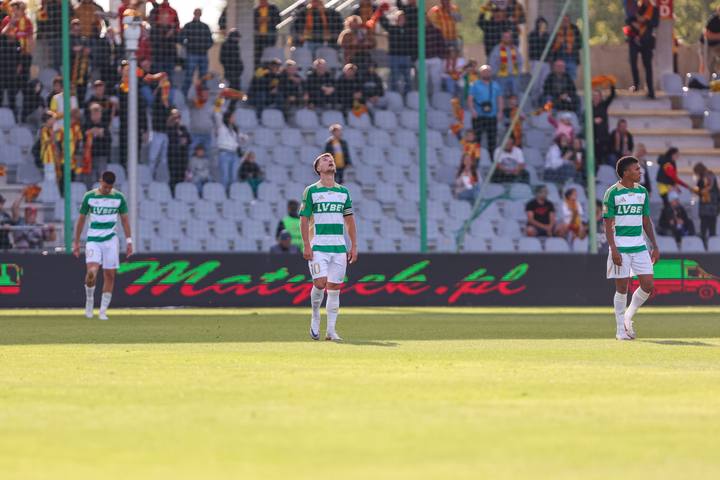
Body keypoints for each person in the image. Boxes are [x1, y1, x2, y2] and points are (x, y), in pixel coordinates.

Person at [300, 153, 358, 342]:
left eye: (331, 159)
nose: (330, 161)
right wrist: (306, 244)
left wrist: (354, 245)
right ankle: (315, 315)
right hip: (318, 246)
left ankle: (331, 331)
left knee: (334, 288)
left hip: (339, 248)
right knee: (320, 283)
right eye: (324, 160)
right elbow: (304, 219)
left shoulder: (343, 192)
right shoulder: (311, 191)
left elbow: (349, 220)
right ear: (318, 169)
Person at [603, 156, 659, 341]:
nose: (640, 172)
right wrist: (613, 249)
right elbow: (607, 224)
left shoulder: (642, 192)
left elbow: (646, 221)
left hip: (639, 246)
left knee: (648, 285)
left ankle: (628, 317)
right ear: (626, 172)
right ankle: (620, 330)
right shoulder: (612, 193)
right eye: (636, 169)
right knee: (622, 288)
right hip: (620, 246)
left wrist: (654, 245)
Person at [73, 171, 133, 321]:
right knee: (92, 272)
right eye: (105, 186)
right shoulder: (89, 197)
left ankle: (102, 311)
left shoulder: (119, 198)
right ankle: (89, 300)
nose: (107, 189)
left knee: (110, 275)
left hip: (111, 241)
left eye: (109, 187)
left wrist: (129, 241)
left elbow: (125, 220)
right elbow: (81, 220)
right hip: (93, 240)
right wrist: (76, 242)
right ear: (100, 181)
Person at [624, 0, 658, 98]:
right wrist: (634, 23)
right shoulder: (635, 7)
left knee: (648, 66)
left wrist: (644, 21)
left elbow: (655, 23)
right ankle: (636, 84)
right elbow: (627, 20)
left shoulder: (653, 9)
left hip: (647, 41)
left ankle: (650, 90)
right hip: (634, 39)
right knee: (633, 61)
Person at [468, 65, 503, 156]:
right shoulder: (475, 84)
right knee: (476, 139)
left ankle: (492, 158)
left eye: (488, 71)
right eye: (484, 71)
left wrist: (500, 112)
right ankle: (475, 158)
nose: (486, 73)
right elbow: (470, 98)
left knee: (492, 140)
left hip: (492, 116)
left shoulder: (496, 85)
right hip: (478, 116)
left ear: (490, 73)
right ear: (480, 73)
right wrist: (472, 110)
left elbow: (499, 99)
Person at [179, 8, 214, 95]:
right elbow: (180, 38)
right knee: (188, 76)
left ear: (201, 14)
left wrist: (204, 47)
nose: (197, 14)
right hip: (191, 54)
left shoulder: (205, 27)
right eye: (196, 13)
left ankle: (201, 97)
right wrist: (189, 46)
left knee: (203, 78)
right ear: (194, 13)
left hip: (203, 55)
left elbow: (210, 41)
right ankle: (184, 96)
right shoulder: (188, 26)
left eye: (199, 13)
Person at [379, 10, 414, 94]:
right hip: (394, 57)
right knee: (395, 77)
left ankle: (407, 94)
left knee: (407, 77)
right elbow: (384, 23)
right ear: (396, 19)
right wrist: (380, 12)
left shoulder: (409, 30)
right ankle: (395, 94)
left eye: (403, 18)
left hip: (406, 56)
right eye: (399, 18)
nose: (401, 19)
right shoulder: (392, 28)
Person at [148, 0, 180, 76]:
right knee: (157, 70)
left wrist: (172, 31)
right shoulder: (155, 11)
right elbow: (151, 24)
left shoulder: (173, 11)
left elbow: (177, 26)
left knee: (169, 71)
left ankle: (168, 82)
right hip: (157, 49)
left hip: (170, 49)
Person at [214, 108, 244, 190]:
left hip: (234, 154)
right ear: (227, 118)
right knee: (225, 177)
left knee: (234, 177)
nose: (234, 119)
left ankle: (232, 194)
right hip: (224, 153)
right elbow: (216, 113)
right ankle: (224, 193)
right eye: (232, 117)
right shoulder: (221, 127)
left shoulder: (234, 129)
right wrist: (219, 101)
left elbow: (240, 138)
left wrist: (244, 138)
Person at [83, 103, 112, 182]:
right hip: (88, 157)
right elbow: (82, 138)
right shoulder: (86, 125)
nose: (96, 115)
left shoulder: (105, 125)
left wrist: (101, 134)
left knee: (102, 178)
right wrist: (89, 133)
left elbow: (109, 140)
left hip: (101, 156)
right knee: (89, 179)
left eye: (98, 112)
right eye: (93, 113)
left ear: (101, 114)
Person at [489, 30, 522, 97]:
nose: (507, 38)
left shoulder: (515, 49)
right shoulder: (497, 49)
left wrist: (518, 72)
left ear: (511, 38)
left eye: (508, 37)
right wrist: (496, 73)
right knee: (501, 96)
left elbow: (520, 61)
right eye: (505, 37)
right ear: (502, 38)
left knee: (515, 96)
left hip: (514, 76)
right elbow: (492, 62)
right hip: (501, 77)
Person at [694, 162, 719, 243]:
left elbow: (702, 191)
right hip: (713, 208)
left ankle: (704, 245)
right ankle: (713, 245)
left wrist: (697, 191)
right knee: (712, 230)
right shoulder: (711, 175)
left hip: (706, 208)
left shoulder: (704, 178)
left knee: (703, 229)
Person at [551, 15, 581, 80]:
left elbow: (579, 44)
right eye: (563, 20)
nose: (565, 22)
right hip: (559, 58)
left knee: (571, 79)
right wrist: (559, 43)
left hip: (571, 58)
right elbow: (552, 46)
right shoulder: (557, 29)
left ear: (569, 21)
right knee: (560, 79)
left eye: (567, 20)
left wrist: (570, 45)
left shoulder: (574, 29)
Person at [166, 108, 191, 189]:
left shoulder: (183, 128)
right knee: (173, 176)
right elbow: (170, 137)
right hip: (173, 156)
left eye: (178, 118)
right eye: (175, 118)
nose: (177, 119)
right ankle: (172, 191)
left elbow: (189, 140)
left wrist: (185, 140)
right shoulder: (170, 128)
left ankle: (180, 191)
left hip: (182, 157)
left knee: (181, 176)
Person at [592, 85, 616, 165]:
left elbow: (612, 96)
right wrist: (593, 121)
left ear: (600, 97)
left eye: (597, 96)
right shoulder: (589, 107)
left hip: (603, 137)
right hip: (594, 137)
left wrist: (611, 84)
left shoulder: (603, 105)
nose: (596, 97)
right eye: (594, 96)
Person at [254, 0, 280, 67]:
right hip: (259, 38)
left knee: (269, 56)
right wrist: (259, 21)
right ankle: (259, 69)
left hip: (270, 37)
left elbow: (278, 19)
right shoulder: (256, 9)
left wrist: (268, 19)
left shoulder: (273, 8)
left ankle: (268, 69)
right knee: (258, 57)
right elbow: (252, 23)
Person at [703, 6, 720, 75]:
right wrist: (718, 36)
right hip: (709, 45)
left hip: (717, 45)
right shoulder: (713, 20)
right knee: (707, 65)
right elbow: (706, 34)